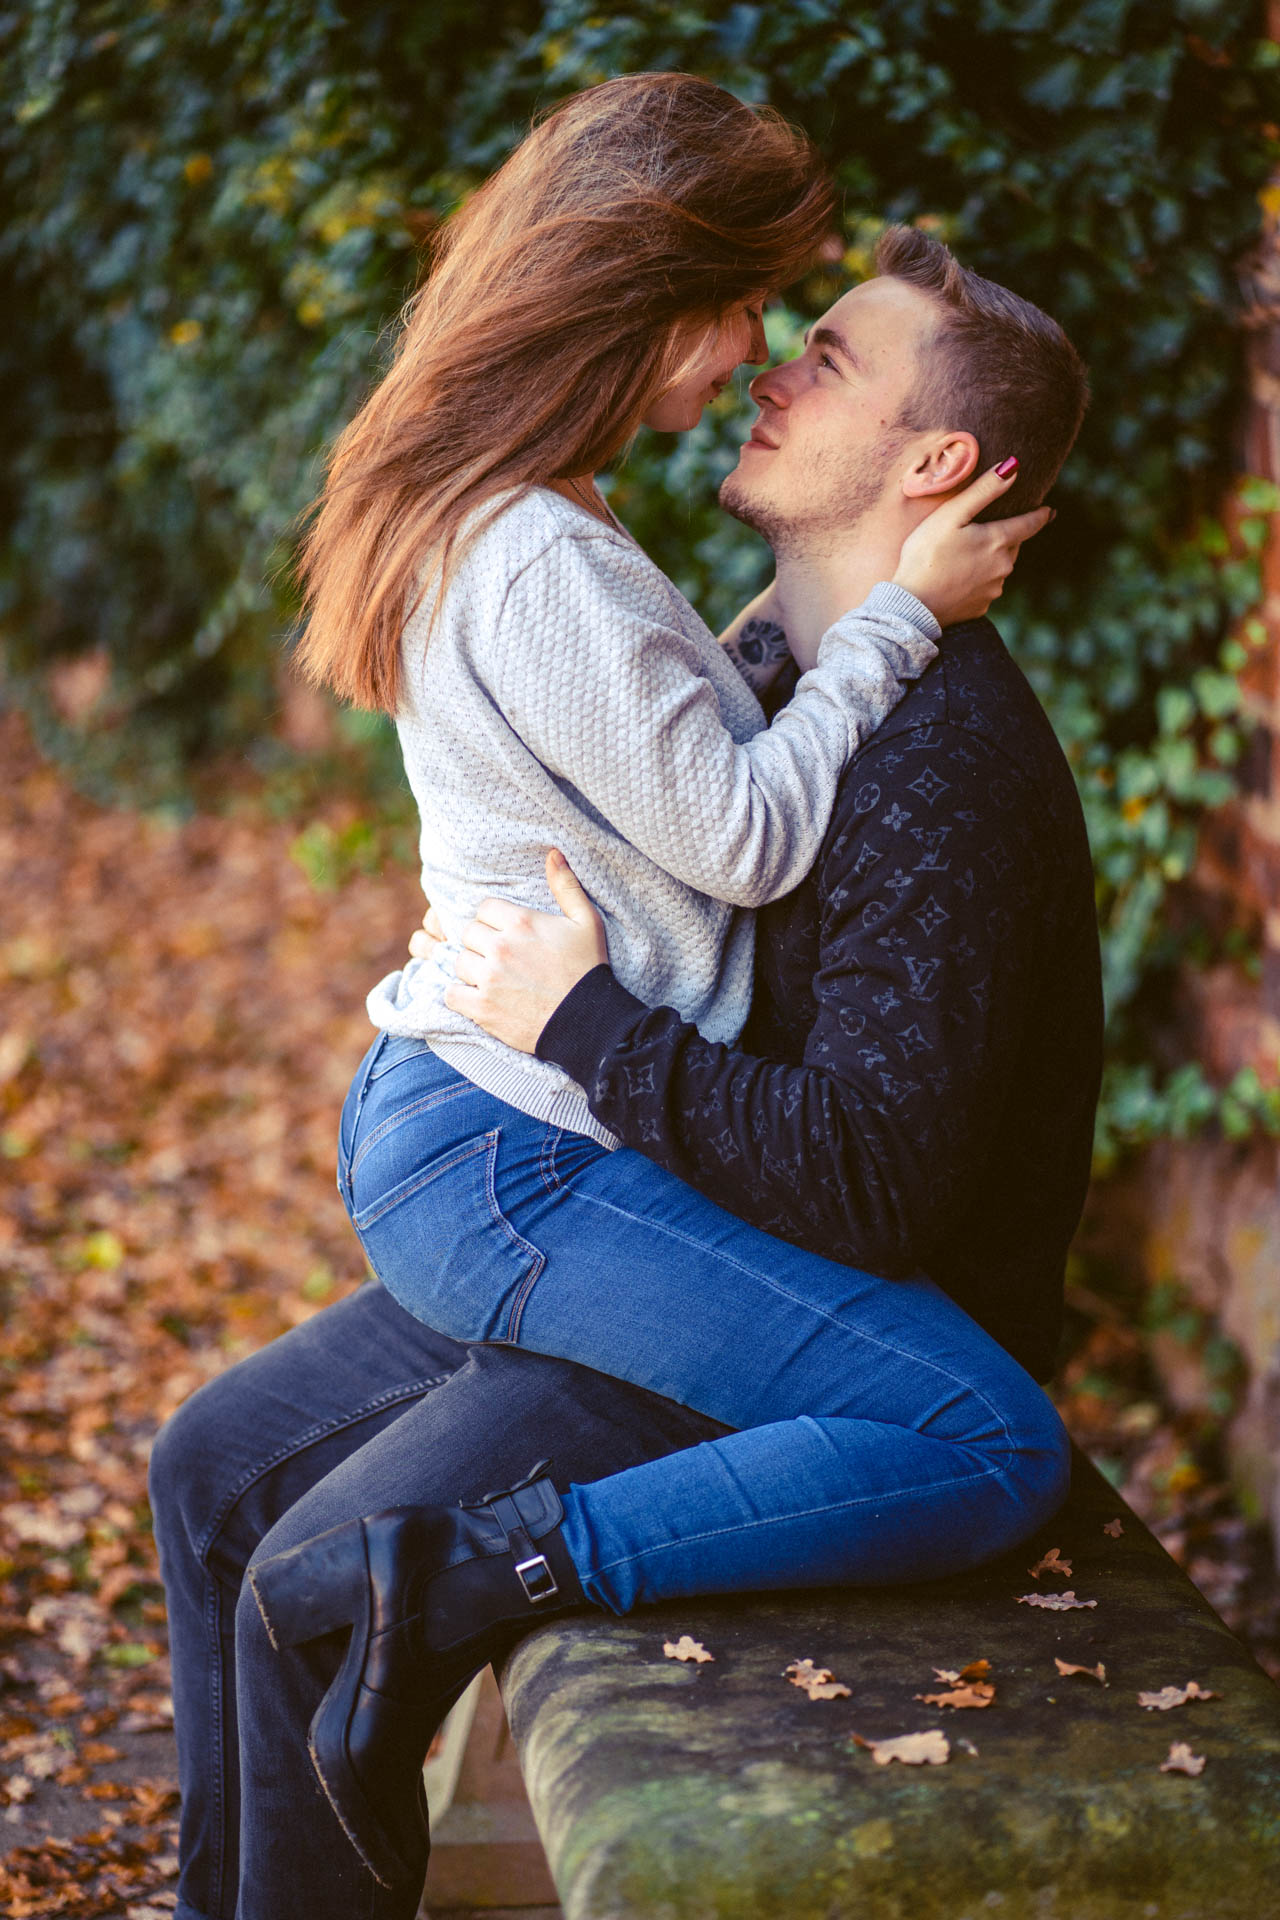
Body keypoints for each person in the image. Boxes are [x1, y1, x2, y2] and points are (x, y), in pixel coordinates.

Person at [148, 77, 1069, 1920]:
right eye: (757, 313)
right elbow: (732, 828)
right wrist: (894, 615)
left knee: (216, 1472)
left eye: (808, 343)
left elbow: (687, 767)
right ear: (645, 294)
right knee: (991, 1446)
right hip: (536, 1144)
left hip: (537, 1131)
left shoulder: (543, 526)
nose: (753, 362)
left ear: (936, 464)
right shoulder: (546, 549)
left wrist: (853, 636)